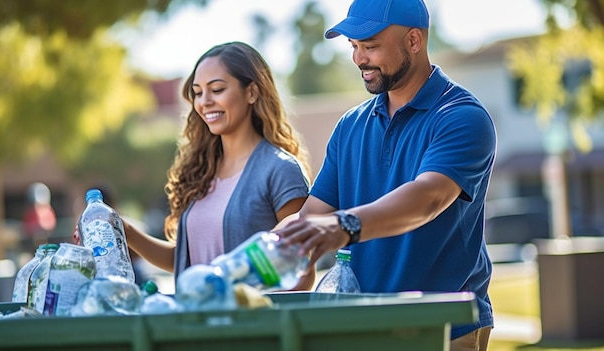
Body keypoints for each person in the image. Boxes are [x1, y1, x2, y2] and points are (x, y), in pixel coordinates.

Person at [274, 0, 496, 349]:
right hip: (364, 329)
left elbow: (427, 198)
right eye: (354, 47)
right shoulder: (350, 127)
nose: (359, 59)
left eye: (371, 46)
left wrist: (342, 226)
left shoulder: (462, 117)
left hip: (444, 328)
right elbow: (313, 218)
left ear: (413, 41)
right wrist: (270, 249)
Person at [121, 42, 311, 287]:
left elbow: (303, 273)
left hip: (251, 322)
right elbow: (183, 261)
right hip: (193, 321)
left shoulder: (281, 170)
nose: (204, 101)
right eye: (198, 93)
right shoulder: (200, 170)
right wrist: (125, 230)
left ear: (252, 92)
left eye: (217, 89)